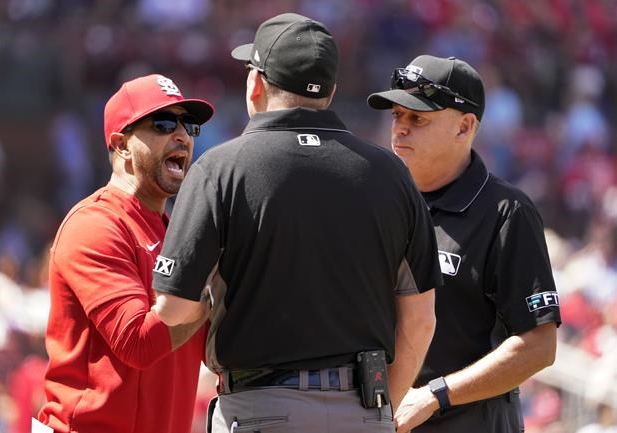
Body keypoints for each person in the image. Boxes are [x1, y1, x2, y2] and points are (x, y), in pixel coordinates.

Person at [151, 13, 442, 433]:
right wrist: (380, 415)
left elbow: (173, 309)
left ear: (255, 83)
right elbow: (421, 320)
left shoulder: (220, 168)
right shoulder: (391, 173)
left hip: (259, 407)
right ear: (331, 91)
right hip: (362, 409)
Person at [367, 55, 561, 433]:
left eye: (417, 118)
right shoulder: (374, 201)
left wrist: (435, 394)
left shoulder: (507, 212)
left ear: (465, 127)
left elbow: (540, 345)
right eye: (397, 116)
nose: (400, 129)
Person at [37, 74, 214, 433]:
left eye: (188, 125)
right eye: (164, 123)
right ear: (121, 144)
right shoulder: (94, 225)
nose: (181, 135)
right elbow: (138, 343)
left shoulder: (174, 230)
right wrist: (211, 295)